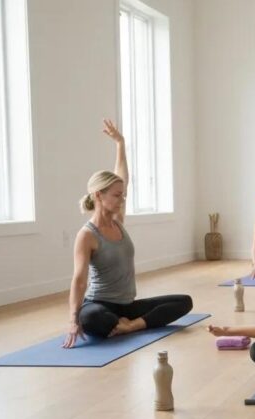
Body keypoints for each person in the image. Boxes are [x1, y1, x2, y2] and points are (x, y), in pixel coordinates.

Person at [63, 119, 192, 348]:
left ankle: (130, 325)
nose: (122, 199)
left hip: (128, 306)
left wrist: (120, 144)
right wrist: (73, 320)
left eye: (122, 195)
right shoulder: (87, 235)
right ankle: (122, 324)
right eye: (116, 195)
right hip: (99, 304)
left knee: (184, 302)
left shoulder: (118, 221)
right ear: (98, 195)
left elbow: (123, 179)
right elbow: (79, 280)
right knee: (90, 318)